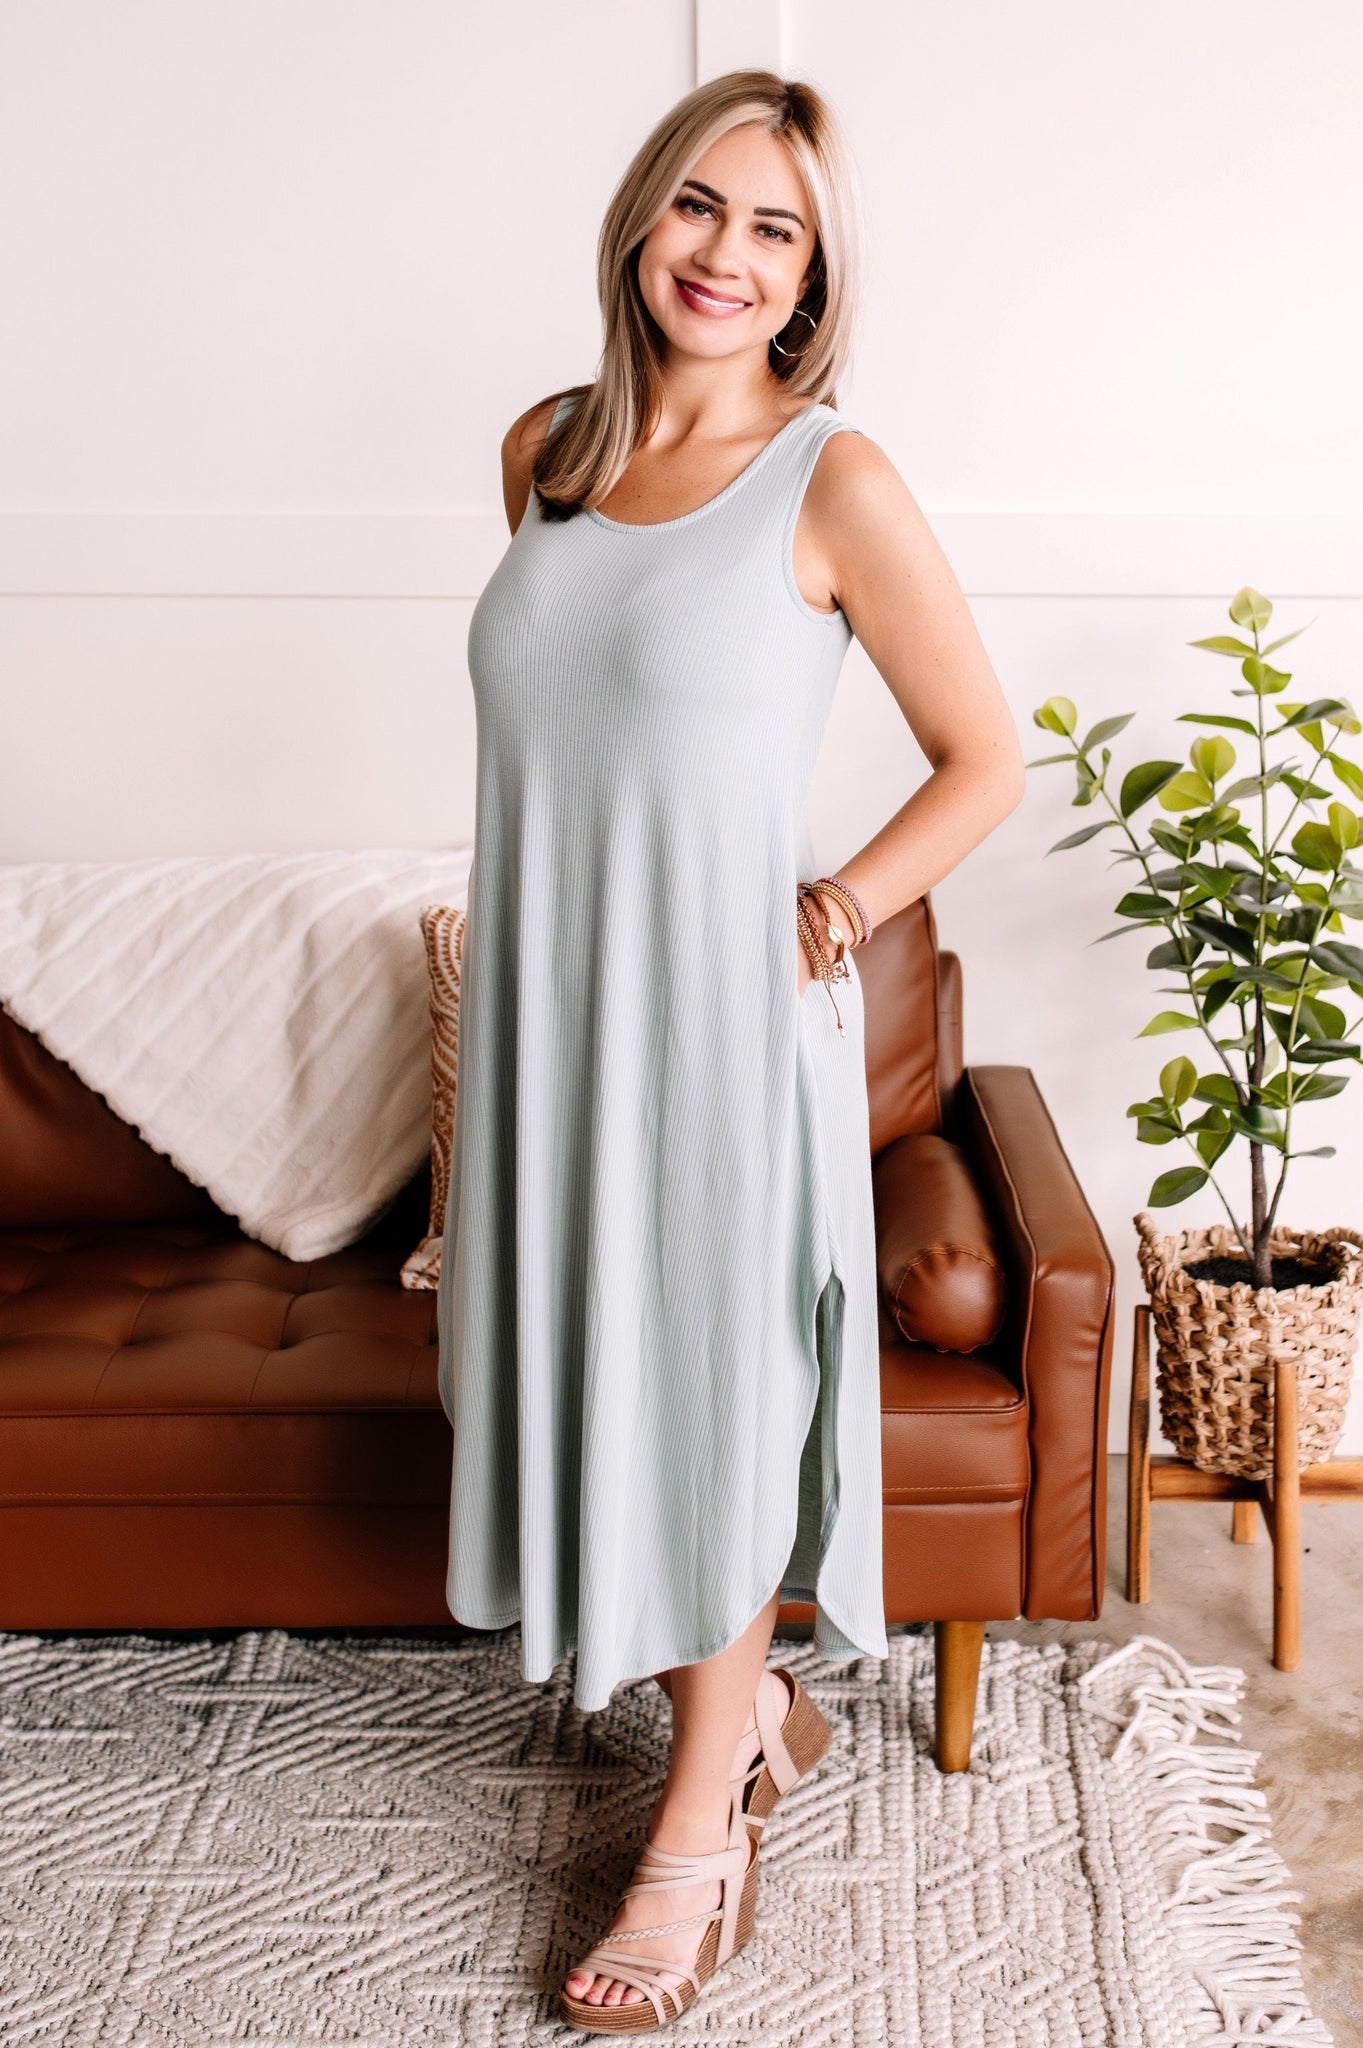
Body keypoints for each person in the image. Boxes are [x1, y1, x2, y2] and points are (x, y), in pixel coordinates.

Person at [435, 68, 1024, 2032]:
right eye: (699, 206)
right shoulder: (544, 451)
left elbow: (986, 759)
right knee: (599, 1370)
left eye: (777, 230)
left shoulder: (833, 480)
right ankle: (756, 1710)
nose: (726, 254)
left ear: (813, 278)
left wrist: (835, 905)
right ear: (639, 221)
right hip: (552, 1015)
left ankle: (698, 1826)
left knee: (708, 1392)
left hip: (720, 1022)